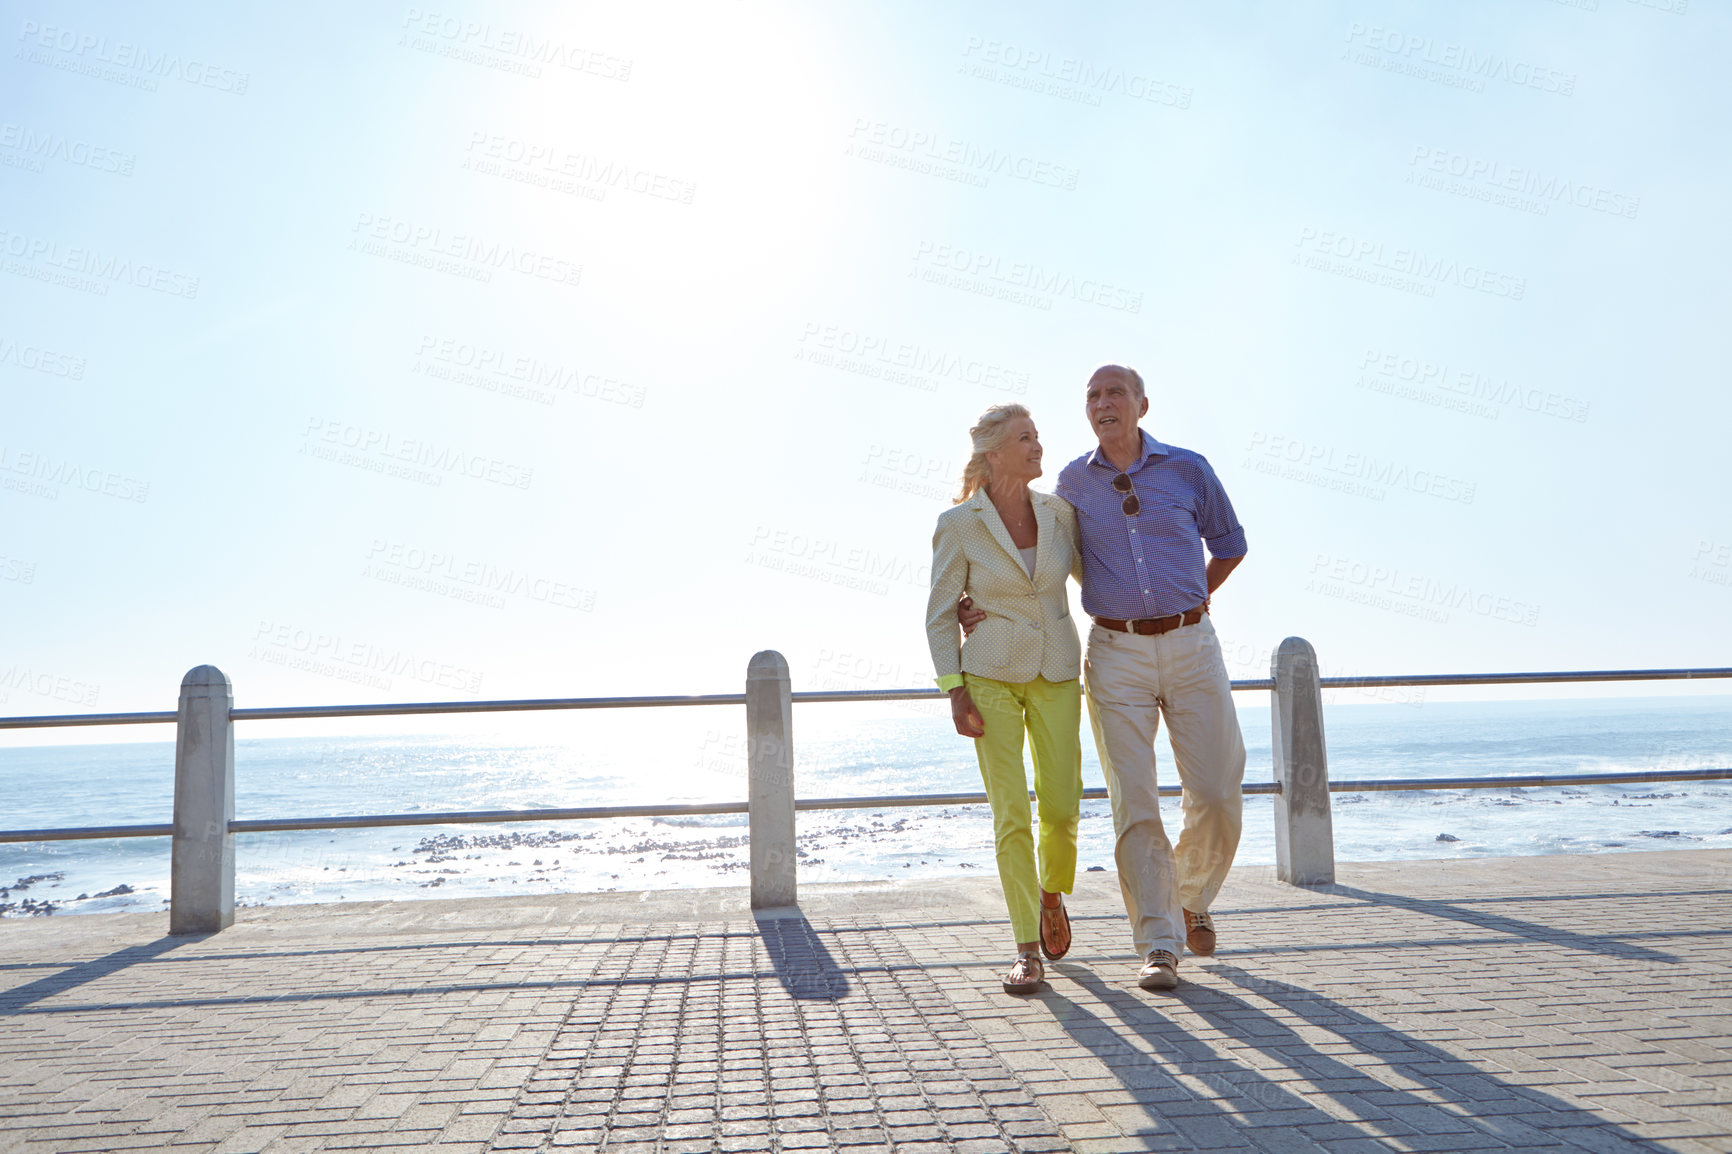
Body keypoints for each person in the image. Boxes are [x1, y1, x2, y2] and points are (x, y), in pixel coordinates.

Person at [962, 365, 1246, 991]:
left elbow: (1230, 544)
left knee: (1221, 791)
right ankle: (1158, 944)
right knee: (1135, 800)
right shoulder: (1070, 485)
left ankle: (1191, 897)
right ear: (1086, 413)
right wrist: (970, 601)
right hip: (1115, 652)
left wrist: (1194, 598)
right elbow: (1030, 559)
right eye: (1093, 395)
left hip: (1194, 642)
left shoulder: (1189, 470)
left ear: (1143, 404)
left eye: (1115, 392)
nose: (1103, 402)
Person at [925, 403, 1084, 995]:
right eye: (1026, 438)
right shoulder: (959, 523)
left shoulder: (1061, 513)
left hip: (1058, 669)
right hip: (988, 674)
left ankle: (1051, 895)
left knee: (1063, 805)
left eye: (1038, 436)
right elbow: (941, 617)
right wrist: (954, 691)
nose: (1039, 446)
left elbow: (1095, 581)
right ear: (995, 453)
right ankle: (1025, 947)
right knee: (1011, 813)